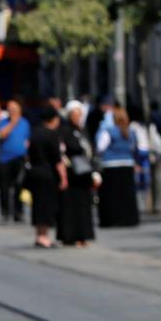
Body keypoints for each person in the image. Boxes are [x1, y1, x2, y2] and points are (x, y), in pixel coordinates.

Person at [25, 103, 65, 249]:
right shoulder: (52, 135)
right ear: (53, 119)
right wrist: (63, 177)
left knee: (37, 204)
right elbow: (57, 159)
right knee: (47, 205)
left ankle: (38, 234)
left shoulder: (34, 132)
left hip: (35, 172)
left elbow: (27, 152)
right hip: (48, 174)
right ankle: (44, 236)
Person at [58, 100, 98, 248]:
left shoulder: (83, 131)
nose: (77, 117)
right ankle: (70, 236)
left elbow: (89, 150)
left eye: (79, 114)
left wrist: (94, 171)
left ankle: (83, 236)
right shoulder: (65, 130)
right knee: (70, 206)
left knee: (84, 206)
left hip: (84, 174)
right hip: (72, 174)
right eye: (74, 115)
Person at [95, 101, 140, 228]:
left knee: (112, 196)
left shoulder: (109, 131)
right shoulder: (130, 131)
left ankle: (113, 219)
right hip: (127, 164)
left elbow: (100, 147)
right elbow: (134, 147)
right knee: (126, 195)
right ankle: (128, 218)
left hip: (111, 165)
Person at [0, 99, 29, 222]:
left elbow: (28, 140)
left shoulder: (25, 123)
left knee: (19, 186)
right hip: (4, 159)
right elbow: (2, 134)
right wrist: (12, 123)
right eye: (9, 109)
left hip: (20, 159)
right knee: (4, 187)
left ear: (19, 110)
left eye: (14, 109)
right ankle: (5, 212)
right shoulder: (3, 122)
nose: (11, 111)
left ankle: (18, 212)